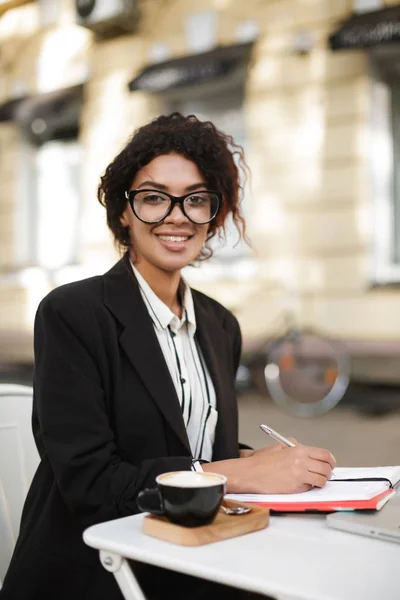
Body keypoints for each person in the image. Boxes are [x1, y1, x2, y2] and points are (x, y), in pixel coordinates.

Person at [0, 113, 335, 600]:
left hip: (192, 555)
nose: (177, 216)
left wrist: (268, 462)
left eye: (196, 200)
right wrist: (240, 472)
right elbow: (93, 485)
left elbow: (194, 449)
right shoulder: (72, 314)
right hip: (94, 570)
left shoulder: (220, 325)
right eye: (154, 198)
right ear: (124, 212)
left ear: (213, 216)